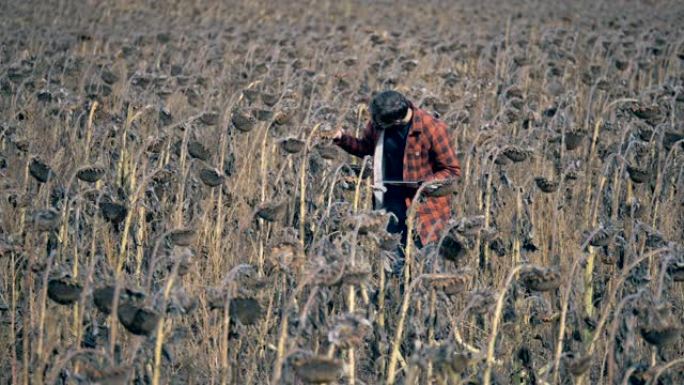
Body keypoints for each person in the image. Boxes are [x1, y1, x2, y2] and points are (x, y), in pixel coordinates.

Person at [333, 90, 461, 252]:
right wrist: (341, 138)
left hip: (424, 210)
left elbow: (451, 171)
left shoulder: (433, 128)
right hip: (389, 204)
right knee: (394, 260)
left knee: (425, 260)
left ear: (397, 120)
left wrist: (426, 184)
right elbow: (366, 148)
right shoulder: (379, 124)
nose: (373, 125)